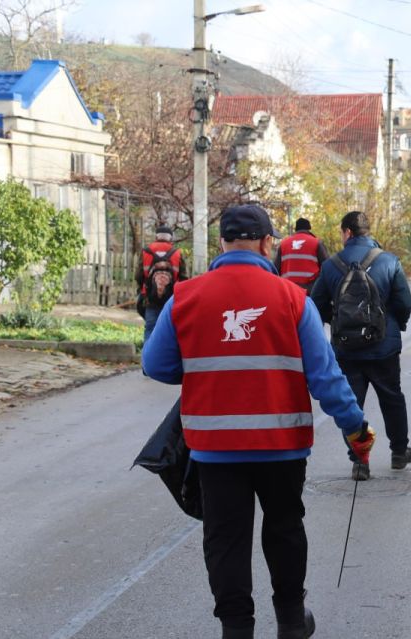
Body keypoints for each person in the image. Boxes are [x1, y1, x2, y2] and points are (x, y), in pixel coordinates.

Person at [142, 203, 375, 639]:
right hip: (281, 445)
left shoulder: (186, 296)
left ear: (223, 243)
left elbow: (156, 365)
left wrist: (199, 363)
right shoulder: (292, 299)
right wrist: (356, 429)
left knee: (225, 538)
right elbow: (325, 376)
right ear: (268, 244)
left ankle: (237, 629)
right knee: (285, 528)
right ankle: (290, 621)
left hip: (214, 448)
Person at [310, 211, 411, 481]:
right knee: (392, 398)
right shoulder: (389, 261)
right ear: (368, 231)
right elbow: (404, 302)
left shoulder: (331, 265)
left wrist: (336, 325)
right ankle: (399, 452)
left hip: (346, 349)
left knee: (352, 404)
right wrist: (395, 326)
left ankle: (360, 460)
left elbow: (316, 303)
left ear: (346, 232)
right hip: (384, 348)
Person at [136, 225, 186, 342]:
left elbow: (138, 276)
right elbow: (184, 278)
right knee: (169, 331)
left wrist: (143, 290)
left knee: (150, 329)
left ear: (156, 236)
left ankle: (147, 358)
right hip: (171, 299)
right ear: (170, 238)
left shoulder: (146, 251)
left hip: (150, 298)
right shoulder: (177, 253)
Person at [273, 217, 330, 291]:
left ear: (296, 230)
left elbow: (275, 271)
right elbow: (327, 268)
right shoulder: (316, 243)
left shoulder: (283, 244)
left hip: (288, 292)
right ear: (308, 229)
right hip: (310, 292)